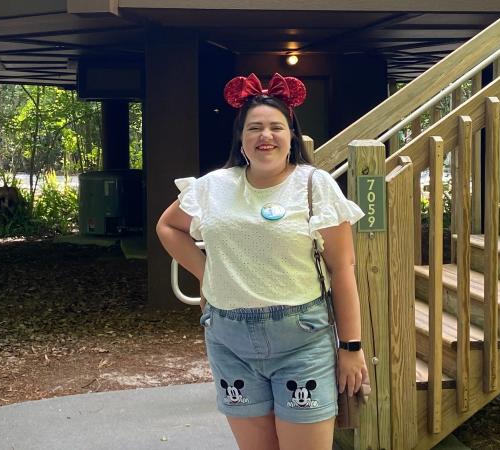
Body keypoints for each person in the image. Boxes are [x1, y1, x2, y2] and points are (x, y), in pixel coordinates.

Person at [156, 73, 370, 450]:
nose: (265, 136)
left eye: (276, 127)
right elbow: (169, 226)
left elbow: (342, 268)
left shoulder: (313, 185)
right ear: (241, 139)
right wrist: (208, 277)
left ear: (291, 136)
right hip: (229, 340)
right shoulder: (214, 186)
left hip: (302, 340)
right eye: (254, 128)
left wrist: (350, 347)